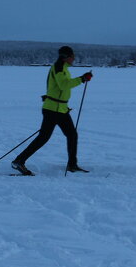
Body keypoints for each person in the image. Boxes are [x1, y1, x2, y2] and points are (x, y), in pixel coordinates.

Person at [10, 46, 94, 176]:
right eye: (72, 56)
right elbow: (64, 85)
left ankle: (72, 165)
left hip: (61, 109)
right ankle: (19, 161)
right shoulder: (59, 68)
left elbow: (62, 87)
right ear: (66, 57)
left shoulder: (64, 68)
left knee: (72, 135)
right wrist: (82, 79)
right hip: (53, 110)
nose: (74, 58)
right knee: (43, 138)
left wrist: (81, 79)